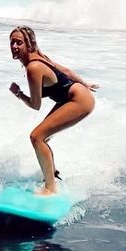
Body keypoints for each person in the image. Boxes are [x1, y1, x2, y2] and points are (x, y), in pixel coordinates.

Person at [9, 26, 97, 195]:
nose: (14, 46)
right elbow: (67, 71)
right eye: (12, 42)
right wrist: (84, 84)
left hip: (79, 100)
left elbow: (35, 105)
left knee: (36, 137)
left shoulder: (33, 67)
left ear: (29, 44)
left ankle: (50, 188)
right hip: (76, 95)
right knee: (43, 137)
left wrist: (18, 94)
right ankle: (52, 175)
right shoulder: (40, 57)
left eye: (19, 42)